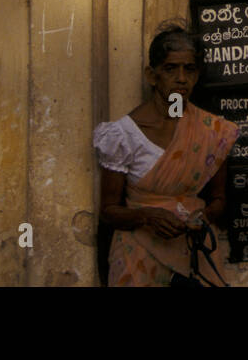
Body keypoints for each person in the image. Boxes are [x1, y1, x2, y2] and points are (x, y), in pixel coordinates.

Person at [94, 21, 239, 286]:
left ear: (197, 75)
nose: (181, 78)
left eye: (189, 69)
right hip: (137, 256)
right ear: (152, 75)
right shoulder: (123, 135)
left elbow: (219, 199)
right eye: (171, 68)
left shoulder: (213, 132)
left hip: (193, 255)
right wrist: (147, 216)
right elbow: (108, 210)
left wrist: (201, 217)